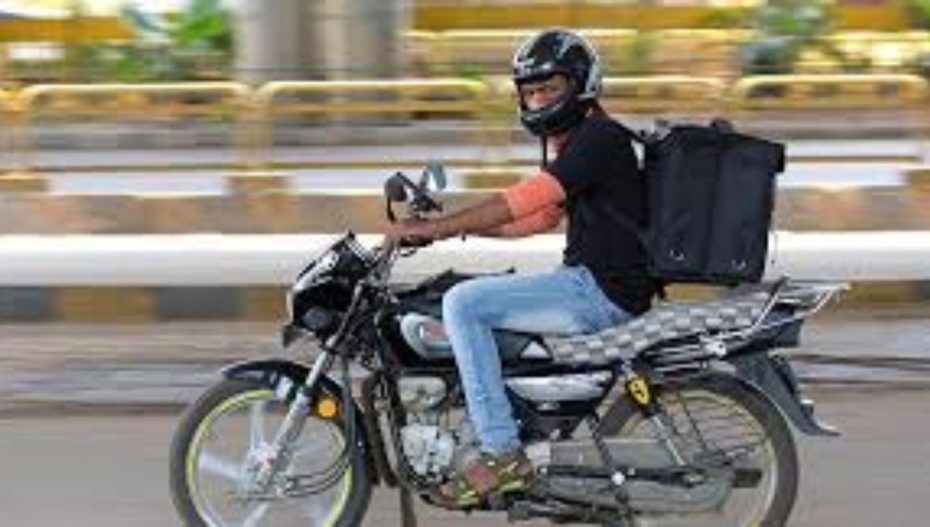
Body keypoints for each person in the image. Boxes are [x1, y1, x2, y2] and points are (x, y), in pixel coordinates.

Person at [385, 28, 655, 508]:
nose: (539, 99)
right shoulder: (582, 141)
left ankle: (501, 454)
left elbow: (529, 197)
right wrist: (456, 229)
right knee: (470, 296)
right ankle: (517, 424)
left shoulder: (599, 137)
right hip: (590, 282)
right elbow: (540, 218)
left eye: (550, 88)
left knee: (463, 304)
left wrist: (441, 228)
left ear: (581, 84)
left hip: (600, 291)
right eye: (531, 91)